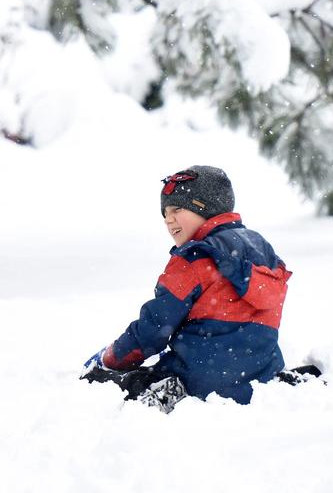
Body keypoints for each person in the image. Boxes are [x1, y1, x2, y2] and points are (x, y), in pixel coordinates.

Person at [82, 165, 303, 412]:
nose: (168, 219)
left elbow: (153, 330)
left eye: (177, 208)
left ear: (205, 207)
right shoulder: (265, 251)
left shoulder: (194, 258)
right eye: (165, 212)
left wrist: (110, 358)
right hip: (260, 380)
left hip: (199, 381)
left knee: (106, 381)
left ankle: (164, 391)